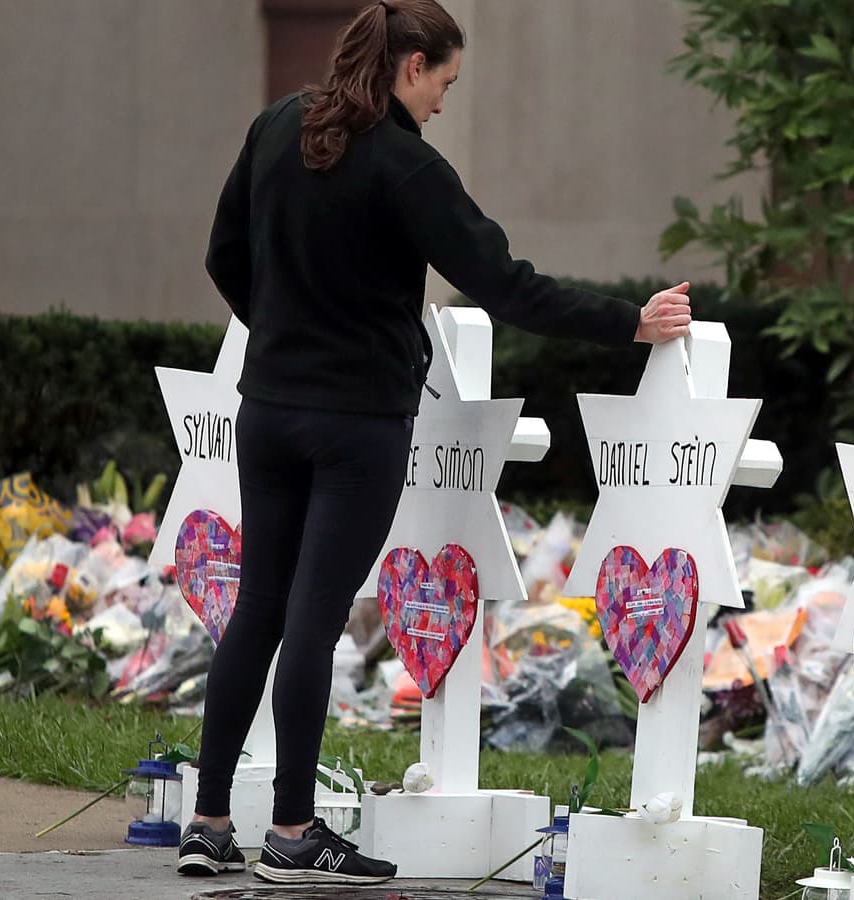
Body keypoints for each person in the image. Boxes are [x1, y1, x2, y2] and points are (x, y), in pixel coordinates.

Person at [175, 0, 691, 885]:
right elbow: (502, 282)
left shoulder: (275, 126)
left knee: (258, 608)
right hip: (356, 426)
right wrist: (629, 324)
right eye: (445, 81)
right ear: (411, 66)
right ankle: (295, 834)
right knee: (311, 619)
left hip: (265, 411)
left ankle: (211, 822)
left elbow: (224, 252)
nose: (446, 101)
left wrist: (283, 332)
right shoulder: (406, 166)